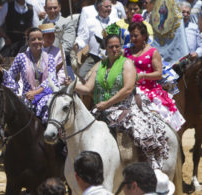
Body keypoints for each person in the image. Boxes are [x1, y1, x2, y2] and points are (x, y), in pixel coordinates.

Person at [70, 23, 168, 169]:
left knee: (140, 134)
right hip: (101, 108)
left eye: (117, 46)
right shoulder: (99, 65)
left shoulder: (127, 63)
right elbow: (86, 88)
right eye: (111, 47)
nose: (115, 49)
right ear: (106, 48)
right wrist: (71, 83)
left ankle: (146, 165)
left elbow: (127, 89)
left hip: (124, 107)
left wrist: (107, 104)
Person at [124, 17, 185, 131]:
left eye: (135, 35)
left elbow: (158, 74)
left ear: (144, 36)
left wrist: (143, 76)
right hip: (128, 89)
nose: (132, 38)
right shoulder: (127, 51)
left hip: (148, 90)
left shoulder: (153, 52)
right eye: (131, 35)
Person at [2, 27, 59, 122]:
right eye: (33, 39)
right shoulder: (21, 57)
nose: (37, 41)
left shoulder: (50, 58)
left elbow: (51, 80)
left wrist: (35, 93)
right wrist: (1, 70)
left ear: (43, 40)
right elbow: (10, 75)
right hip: (27, 98)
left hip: (45, 96)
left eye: (39, 39)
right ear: (28, 41)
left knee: (49, 109)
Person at [74, 0, 119, 79]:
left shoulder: (116, 21)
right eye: (106, 6)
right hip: (94, 57)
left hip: (112, 57)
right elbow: (83, 37)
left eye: (110, 7)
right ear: (99, 8)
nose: (109, 9)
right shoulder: (90, 22)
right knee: (80, 76)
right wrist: (77, 45)